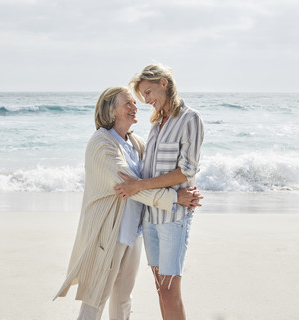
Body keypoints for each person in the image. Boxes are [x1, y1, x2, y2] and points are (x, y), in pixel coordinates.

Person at [54, 87, 201, 320]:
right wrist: (174, 198)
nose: (135, 107)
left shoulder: (136, 142)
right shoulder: (102, 143)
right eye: (128, 103)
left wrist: (186, 185)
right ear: (111, 111)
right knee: (96, 298)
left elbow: (153, 175)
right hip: (108, 233)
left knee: (123, 298)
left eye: (135, 102)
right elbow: (131, 188)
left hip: (134, 232)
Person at [113, 64, 204, 320]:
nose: (146, 100)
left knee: (169, 292)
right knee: (160, 289)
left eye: (149, 92)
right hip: (150, 219)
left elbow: (186, 171)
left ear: (164, 83)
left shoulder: (190, 119)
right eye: (143, 96)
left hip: (174, 218)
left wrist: (139, 186)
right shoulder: (156, 125)